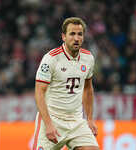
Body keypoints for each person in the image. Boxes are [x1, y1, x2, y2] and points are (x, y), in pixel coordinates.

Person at [33, 17, 99, 150]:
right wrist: (48, 124)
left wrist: (90, 119)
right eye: (72, 34)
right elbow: (39, 92)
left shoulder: (88, 58)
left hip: (76, 121)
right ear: (63, 36)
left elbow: (88, 88)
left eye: (80, 34)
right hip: (53, 119)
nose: (76, 38)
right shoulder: (51, 59)